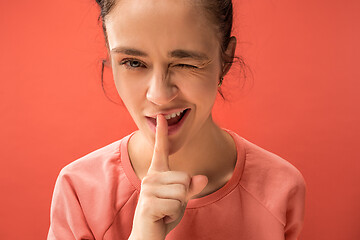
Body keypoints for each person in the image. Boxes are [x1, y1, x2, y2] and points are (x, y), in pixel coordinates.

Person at [47, 0, 306, 239]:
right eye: (133, 63)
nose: (159, 95)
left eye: (186, 64)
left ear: (225, 60)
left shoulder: (281, 189)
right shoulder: (79, 190)